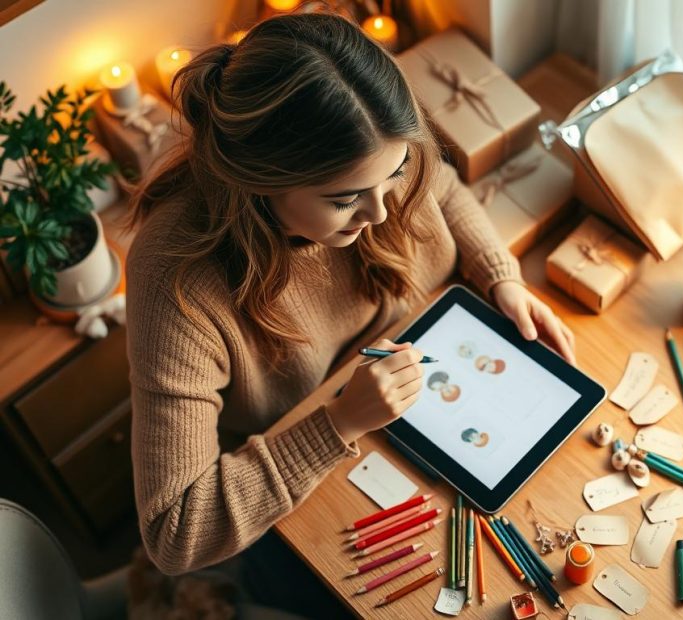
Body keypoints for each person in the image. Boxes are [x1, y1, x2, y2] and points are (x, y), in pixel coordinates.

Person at [126, 12, 575, 616]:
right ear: (259, 184)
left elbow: (440, 187)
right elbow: (174, 534)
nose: (384, 215)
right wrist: (337, 424)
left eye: (393, 178)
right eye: (345, 201)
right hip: (301, 461)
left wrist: (501, 277)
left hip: (408, 398)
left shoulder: (378, 152)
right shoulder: (176, 281)